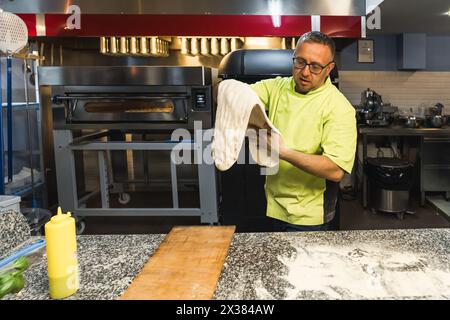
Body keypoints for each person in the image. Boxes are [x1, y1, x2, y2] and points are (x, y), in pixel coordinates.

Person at [250, 31, 357, 232]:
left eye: (315, 66)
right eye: (300, 62)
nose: (305, 72)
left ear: (329, 69)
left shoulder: (339, 107)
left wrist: (284, 152)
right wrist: (224, 89)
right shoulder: (279, 87)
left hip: (309, 216)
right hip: (274, 205)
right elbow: (243, 96)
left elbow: (335, 171)